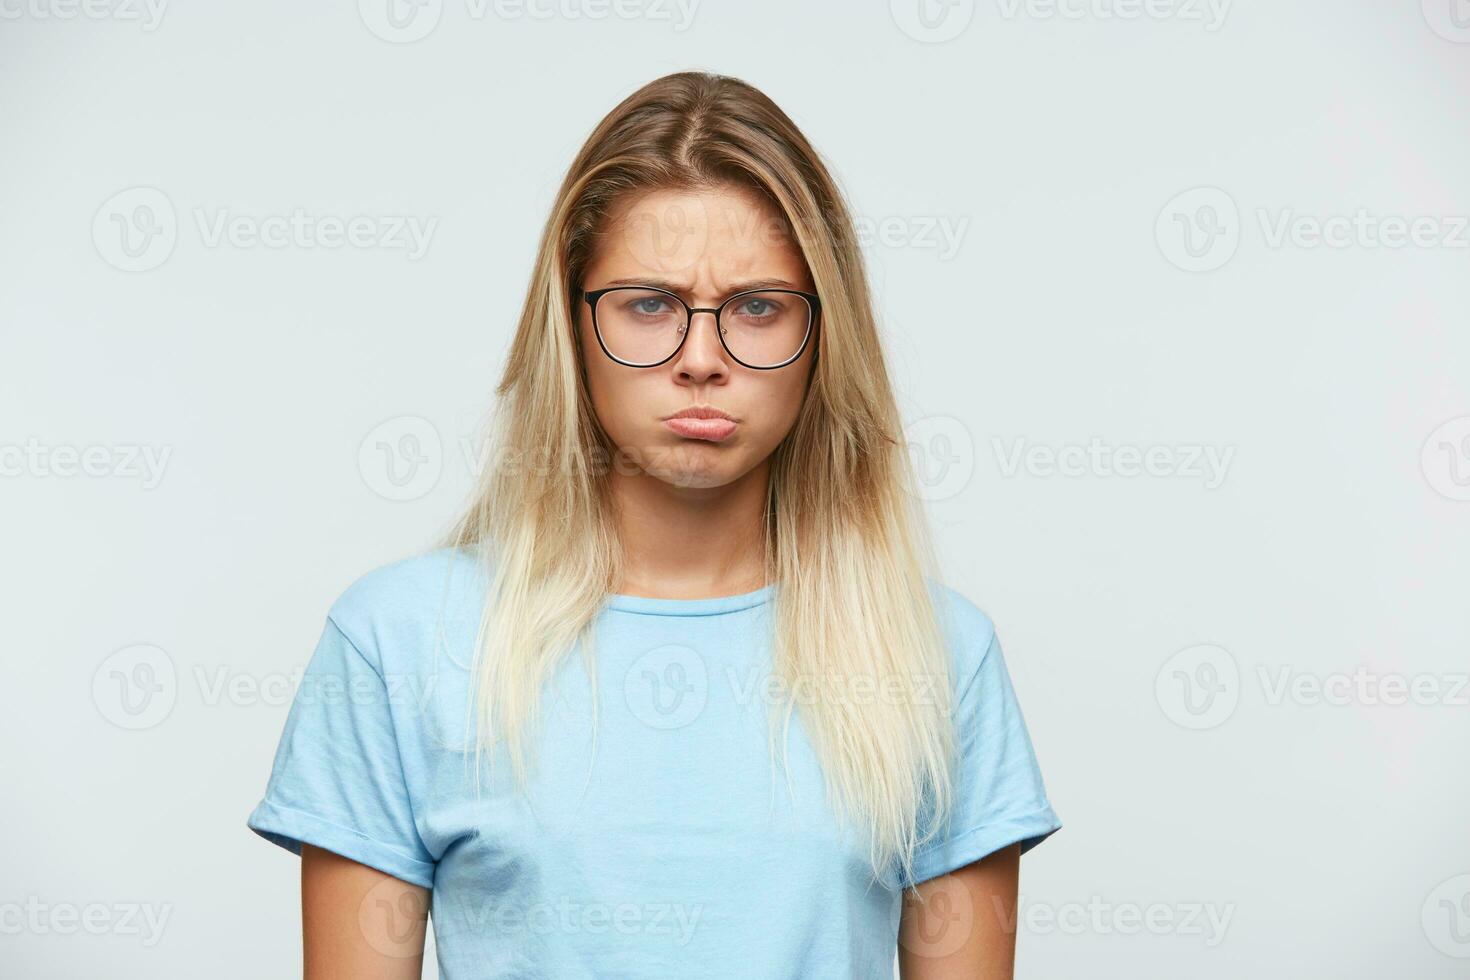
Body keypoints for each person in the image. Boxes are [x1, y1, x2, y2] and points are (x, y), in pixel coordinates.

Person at [247, 70, 1061, 979]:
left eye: (758, 307)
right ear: (570, 324)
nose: (702, 360)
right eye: (648, 305)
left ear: (824, 336)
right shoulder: (396, 643)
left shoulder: (939, 655)